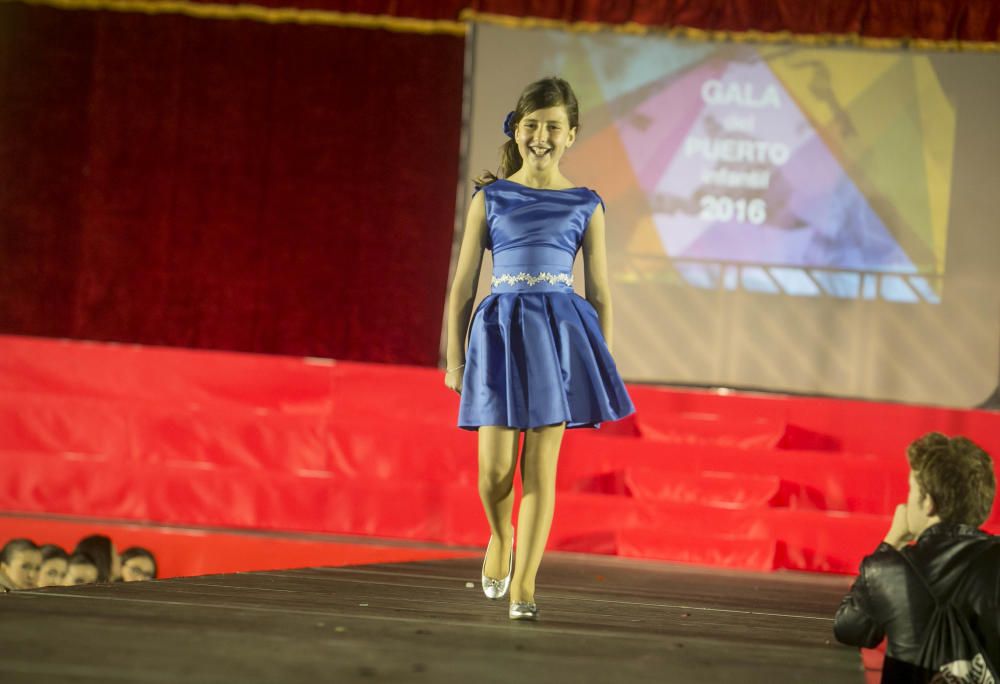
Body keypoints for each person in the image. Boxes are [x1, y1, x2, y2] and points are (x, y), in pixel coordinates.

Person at [445, 77, 634, 621]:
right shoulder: (491, 197)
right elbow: (461, 287)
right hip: (499, 332)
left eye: (554, 127)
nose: (542, 136)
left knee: (540, 470)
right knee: (494, 473)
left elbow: (599, 292)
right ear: (517, 129)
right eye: (532, 125)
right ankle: (500, 538)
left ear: (572, 135)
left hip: (559, 338)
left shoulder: (586, 204)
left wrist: (601, 360)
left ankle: (525, 585)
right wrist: (454, 358)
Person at [834, 432, 998, 680]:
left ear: (928, 503)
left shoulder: (887, 568)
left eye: (911, 490)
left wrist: (892, 541)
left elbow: (849, 629)